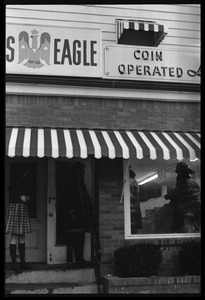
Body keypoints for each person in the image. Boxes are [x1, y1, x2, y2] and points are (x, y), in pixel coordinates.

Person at [65, 162, 93, 265]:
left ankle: (79, 258)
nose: (84, 173)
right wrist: (72, 213)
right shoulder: (72, 183)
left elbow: (85, 198)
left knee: (80, 238)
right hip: (73, 216)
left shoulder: (80, 183)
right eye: (82, 171)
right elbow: (69, 200)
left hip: (81, 215)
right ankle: (70, 260)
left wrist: (88, 210)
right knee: (72, 238)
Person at [5, 169, 32, 273]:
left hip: (16, 209)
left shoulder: (15, 183)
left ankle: (19, 263)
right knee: (17, 237)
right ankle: (17, 263)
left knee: (19, 237)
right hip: (18, 209)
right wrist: (29, 197)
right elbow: (24, 199)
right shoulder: (19, 183)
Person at [164, 162, 200, 233]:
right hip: (195, 213)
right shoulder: (194, 183)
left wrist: (170, 196)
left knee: (179, 233)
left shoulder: (182, 183)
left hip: (183, 213)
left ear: (180, 173)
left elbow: (179, 197)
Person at [129, 168, 142, 233]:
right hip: (135, 206)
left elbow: (130, 194)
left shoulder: (130, 181)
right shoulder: (134, 181)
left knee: (131, 224)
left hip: (131, 206)